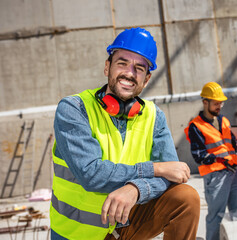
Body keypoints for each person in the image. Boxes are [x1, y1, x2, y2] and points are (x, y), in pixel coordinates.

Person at [50, 27, 200, 240]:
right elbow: (91, 174)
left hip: (121, 230)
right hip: (75, 234)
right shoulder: (74, 109)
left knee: (185, 198)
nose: (130, 73)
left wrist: (136, 189)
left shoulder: (153, 116)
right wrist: (154, 169)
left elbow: (172, 175)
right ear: (107, 67)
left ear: (146, 79)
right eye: (122, 63)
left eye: (139, 68)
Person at [184, 82, 237, 240]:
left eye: (221, 102)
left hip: (233, 173)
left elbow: (232, 147)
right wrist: (220, 159)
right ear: (205, 102)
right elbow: (198, 155)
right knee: (216, 215)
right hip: (215, 176)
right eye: (216, 103)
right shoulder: (196, 126)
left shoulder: (224, 121)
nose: (219, 106)